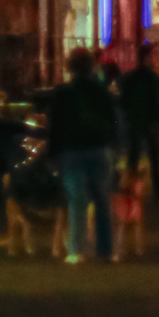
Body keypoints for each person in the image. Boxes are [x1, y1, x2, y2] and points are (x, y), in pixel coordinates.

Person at [49, 48, 119, 263]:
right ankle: (106, 249)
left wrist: (54, 153)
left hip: (72, 151)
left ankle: (76, 249)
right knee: (102, 201)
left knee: (76, 201)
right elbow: (113, 122)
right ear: (91, 67)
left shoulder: (62, 94)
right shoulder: (102, 92)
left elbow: (55, 126)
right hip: (98, 149)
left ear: (70, 67)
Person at [119, 43, 159, 199]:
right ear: (149, 57)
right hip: (151, 121)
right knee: (154, 156)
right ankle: (158, 189)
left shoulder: (127, 79)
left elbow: (123, 101)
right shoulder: (156, 80)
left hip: (135, 120)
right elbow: (157, 102)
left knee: (133, 155)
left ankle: (129, 185)